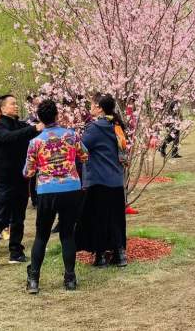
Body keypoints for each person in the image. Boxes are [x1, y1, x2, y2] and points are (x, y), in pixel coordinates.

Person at [23, 99, 88, 293]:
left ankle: (34, 279)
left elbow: (28, 172)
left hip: (47, 191)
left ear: (40, 119)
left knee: (41, 235)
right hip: (71, 189)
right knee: (67, 234)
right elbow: (85, 155)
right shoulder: (72, 135)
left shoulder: (35, 142)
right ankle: (70, 278)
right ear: (57, 116)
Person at [0, 94, 44, 274]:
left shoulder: (20, 124)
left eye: (17, 103)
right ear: (1, 108)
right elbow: (11, 137)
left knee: (19, 217)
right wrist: (34, 129)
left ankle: (16, 250)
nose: (16, 106)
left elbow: (30, 131)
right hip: (5, 181)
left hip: (22, 179)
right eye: (12, 104)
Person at [75, 93, 128, 268]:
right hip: (116, 180)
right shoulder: (117, 125)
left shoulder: (95, 128)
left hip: (99, 180)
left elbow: (81, 148)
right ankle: (120, 254)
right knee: (116, 218)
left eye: (92, 105)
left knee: (98, 218)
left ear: (99, 107)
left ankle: (100, 256)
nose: (90, 108)